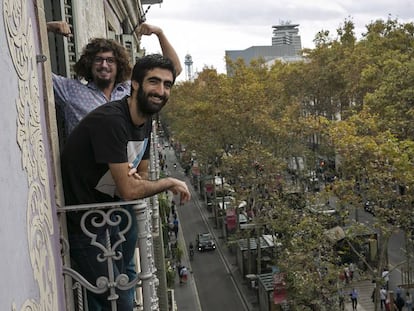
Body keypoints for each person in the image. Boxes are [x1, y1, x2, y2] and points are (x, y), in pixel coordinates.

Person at [48, 21, 182, 309]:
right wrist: (44, 27)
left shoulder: (134, 102)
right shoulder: (79, 95)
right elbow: (34, 69)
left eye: (110, 60)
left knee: (124, 277)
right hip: (88, 207)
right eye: (98, 60)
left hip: (116, 198)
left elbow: (171, 70)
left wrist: (159, 33)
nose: (105, 65)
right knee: (109, 293)